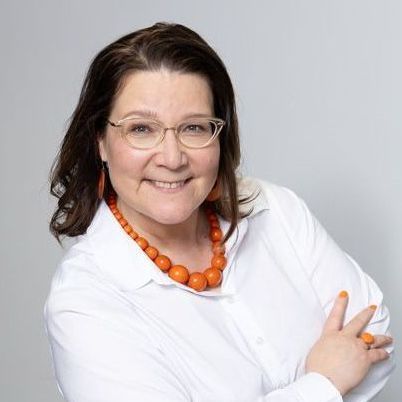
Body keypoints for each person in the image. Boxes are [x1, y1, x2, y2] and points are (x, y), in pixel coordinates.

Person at [44, 22, 395, 402]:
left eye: (194, 127)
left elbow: (378, 338)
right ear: (100, 141)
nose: (172, 157)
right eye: (142, 129)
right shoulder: (83, 301)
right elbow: (345, 371)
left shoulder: (273, 208)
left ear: (220, 135)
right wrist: (325, 383)